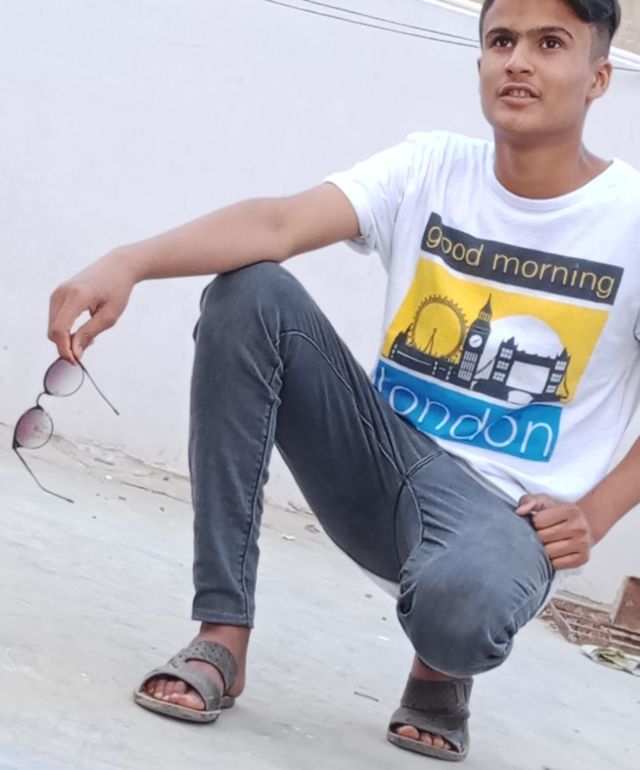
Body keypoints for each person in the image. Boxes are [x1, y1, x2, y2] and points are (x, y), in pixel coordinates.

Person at [47, 0, 637, 762]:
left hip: (503, 515)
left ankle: (438, 673)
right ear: (481, 61)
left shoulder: (627, 220)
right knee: (249, 294)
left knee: (463, 609)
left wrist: (595, 513)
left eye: (549, 43)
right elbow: (277, 224)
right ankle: (222, 632)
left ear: (598, 77)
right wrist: (127, 262)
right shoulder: (431, 167)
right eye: (501, 40)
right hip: (378, 460)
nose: (518, 61)